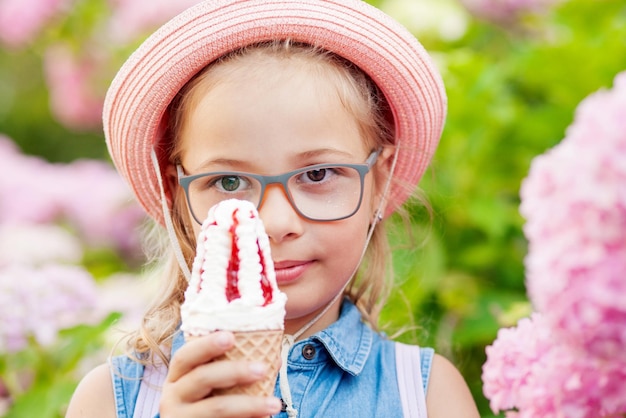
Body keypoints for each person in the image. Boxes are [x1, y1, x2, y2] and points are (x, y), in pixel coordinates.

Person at [66, 0, 480, 417]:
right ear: (177, 195)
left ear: (380, 181)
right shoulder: (110, 399)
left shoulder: (428, 395)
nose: (276, 223)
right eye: (229, 182)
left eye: (318, 175)